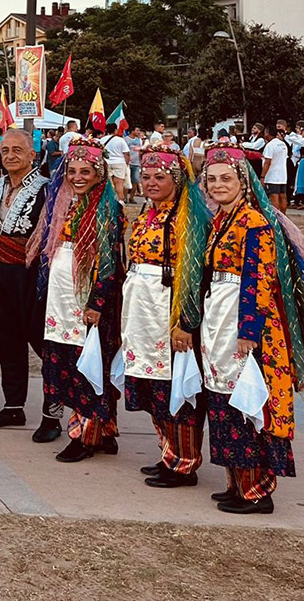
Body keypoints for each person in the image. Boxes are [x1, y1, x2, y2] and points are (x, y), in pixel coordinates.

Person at [197, 142, 304, 514]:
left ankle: (256, 490)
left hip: (245, 319)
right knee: (223, 396)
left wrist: (249, 330)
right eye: (212, 179)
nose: (218, 185)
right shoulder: (222, 218)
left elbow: (259, 277)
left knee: (246, 399)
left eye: (226, 178)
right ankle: (236, 482)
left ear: (244, 181)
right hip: (219, 315)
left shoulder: (255, 222)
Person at [28, 140, 126, 463]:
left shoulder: (108, 209)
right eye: (72, 171)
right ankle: (103, 429)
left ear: (100, 173)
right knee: (69, 361)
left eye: (86, 171)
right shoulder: (69, 204)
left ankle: (85, 435)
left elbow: (110, 261)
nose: (78, 177)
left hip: (88, 300)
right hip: (62, 298)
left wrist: (97, 302)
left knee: (88, 364)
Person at [124, 145, 207, 488]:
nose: (151, 183)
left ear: (177, 178)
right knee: (153, 385)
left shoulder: (189, 218)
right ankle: (168, 453)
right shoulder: (147, 212)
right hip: (143, 310)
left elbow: (194, 274)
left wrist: (185, 322)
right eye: (145, 176)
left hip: (168, 309)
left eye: (160, 177)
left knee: (176, 387)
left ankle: (184, 462)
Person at [0, 128, 54, 438]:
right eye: (5, 150)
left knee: (42, 342)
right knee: (8, 339)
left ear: (32, 154)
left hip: (31, 274)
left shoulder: (45, 189)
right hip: (1, 271)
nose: (10, 156)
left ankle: (52, 415)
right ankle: (13, 406)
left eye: (17, 150)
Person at [260, 126, 290, 214]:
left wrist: (262, 177)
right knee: (283, 196)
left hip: (272, 175)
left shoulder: (270, 145)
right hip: (282, 175)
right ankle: (283, 216)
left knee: (274, 196)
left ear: (268, 133)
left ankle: (276, 216)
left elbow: (267, 162)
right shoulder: (283, 144)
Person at [103, 130, 131, 203]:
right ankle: (120, 201)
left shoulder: (102, 139)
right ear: (115, 130)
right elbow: (126, 153)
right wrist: (127, 163)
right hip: (119, 162)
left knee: (106, 183)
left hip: (106, 162)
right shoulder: (120, 140)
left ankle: (107, 200)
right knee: (119, 183)